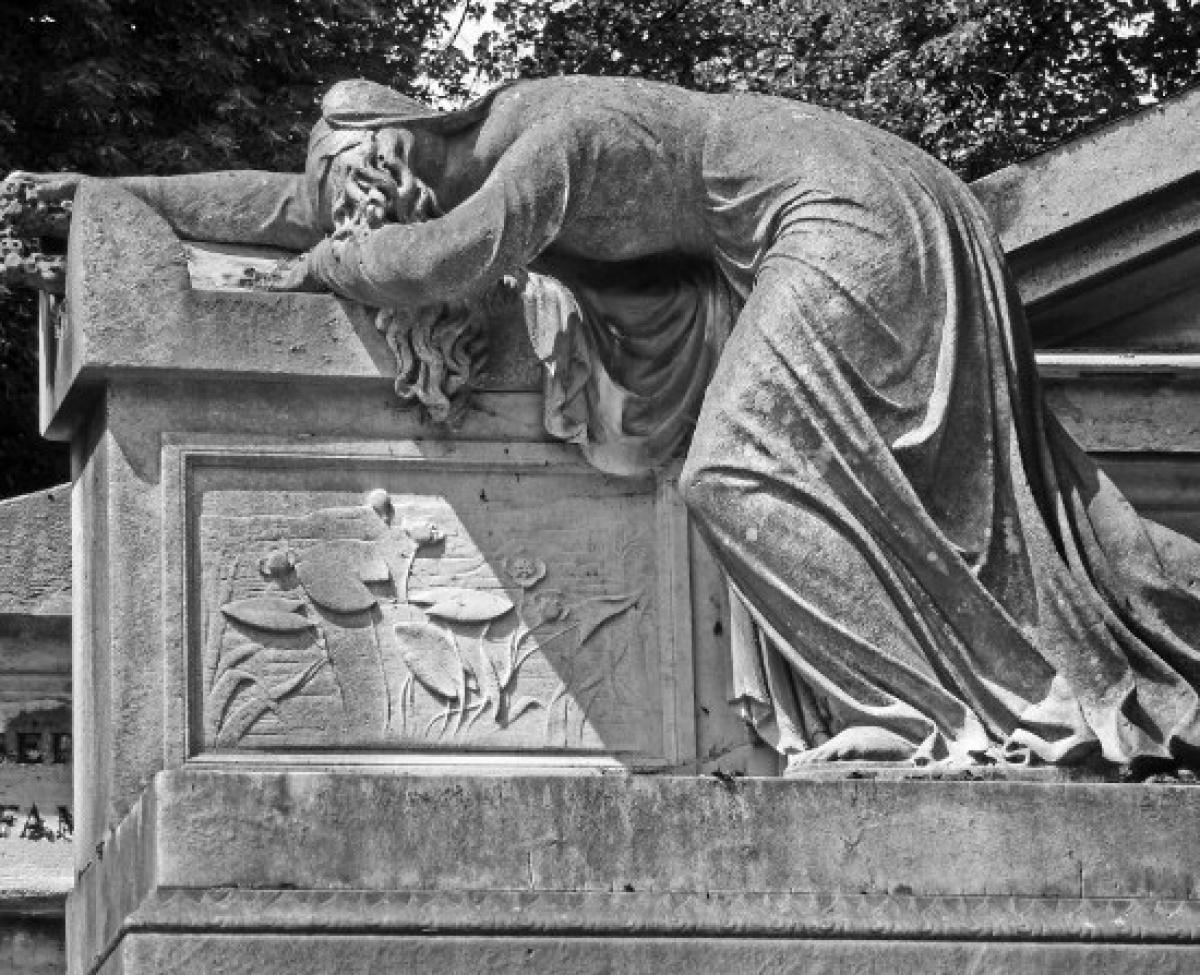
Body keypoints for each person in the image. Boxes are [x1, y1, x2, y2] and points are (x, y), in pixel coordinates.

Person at [14, 75, 1200, 771]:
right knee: (1058, 529)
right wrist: (117, 198)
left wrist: (332, 263)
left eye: (372, 190)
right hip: (877, 207)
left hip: (856, 219)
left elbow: (439, 257)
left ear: (415, 139)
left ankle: (944, 715)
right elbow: (290, 205)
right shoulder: (482, 152)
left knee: (739, 468)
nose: (364, 214)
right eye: (351, 203)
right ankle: (1038, 684)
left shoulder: (560, 139)